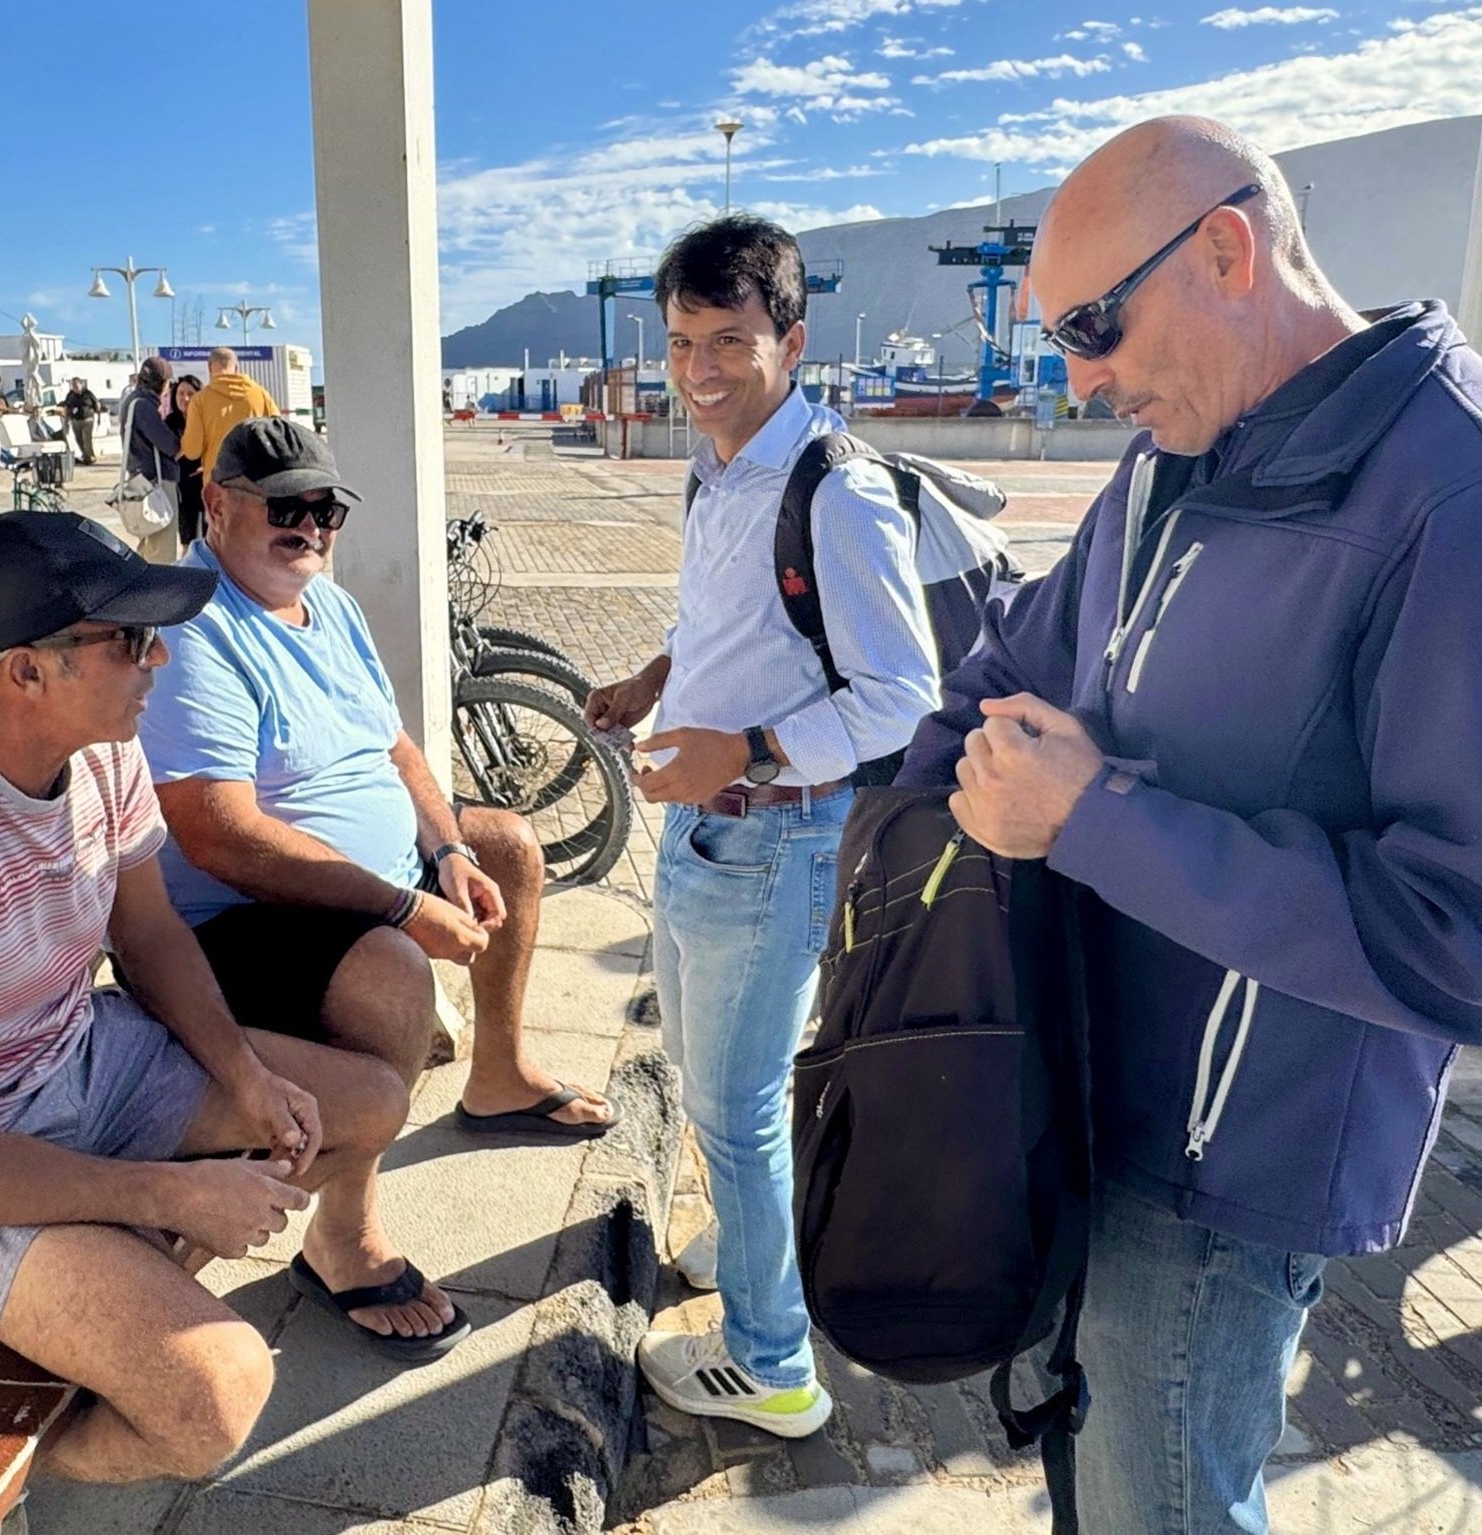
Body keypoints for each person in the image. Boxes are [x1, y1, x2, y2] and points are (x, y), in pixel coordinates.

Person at [898, 115, 1482, 1533]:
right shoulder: (1173, 452)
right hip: (1073, 1090)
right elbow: (1016, 656)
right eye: (1056, 340)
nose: (1078, 378)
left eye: (1091, 326)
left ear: (1227, 250)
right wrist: (916, 831)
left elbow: (1455, 935)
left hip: (1226, 1183)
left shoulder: (1449, 489)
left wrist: (1095, 817)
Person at [0, 512, 422, 1481]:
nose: (160, 655)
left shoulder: (102, 749)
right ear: (28, 670)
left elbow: (149, 934)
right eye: (128, 637)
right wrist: (168, 1191)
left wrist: (243, 1075)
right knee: (213, 1395)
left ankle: (114, 1272)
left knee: (369, 1102)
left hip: (76, 1061)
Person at [141, 416, 612, 1350]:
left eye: (328, 511)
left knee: (509, 845)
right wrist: (402, 904)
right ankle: (343, 1237)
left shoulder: (331, 607)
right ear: (218, 504)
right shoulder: (195, 627)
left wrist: (449, 853)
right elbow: (218, 835)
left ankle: (499, 1077)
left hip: (358, 886)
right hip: (238, 916)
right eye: (288, 507)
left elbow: (398, 751)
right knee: (393, 971)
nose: (310, 528)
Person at [583, 213, 938, 1437]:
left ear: (790, 337)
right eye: (681, 341)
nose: (699, 369)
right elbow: (731, 622)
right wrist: (656, 678)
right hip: (703, 831)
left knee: (737, 1106)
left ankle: (772, 1362)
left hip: (777, 837)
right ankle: (748, 1245)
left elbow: (902, 693)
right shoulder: (717, 469)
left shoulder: (837, 491)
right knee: (710, 1079)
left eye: (728, 340)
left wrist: (744, 750)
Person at [177, 348, 280, 481]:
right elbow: (278, 436)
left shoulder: (200, 400)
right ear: (237, 367)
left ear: (209, 368)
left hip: (217, 482)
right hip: (254, 479)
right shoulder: (261, 395)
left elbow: (192, 451)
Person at [123, 357, 183, 564]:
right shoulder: (144, 406)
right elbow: (171, 446)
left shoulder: (132, 401)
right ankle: (158, 586)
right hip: (156, 485)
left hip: (139, 480)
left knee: (147, 546)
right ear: (163, 384)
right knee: (162, 550)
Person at [166, 373, 206, 549]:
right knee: (187, 540)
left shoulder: (207, 420)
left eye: (190, 394)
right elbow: (170, 455)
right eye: (180, 393)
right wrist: (188, 443)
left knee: (210, 538)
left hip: (206, 482)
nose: (185, 398)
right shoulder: (170, 422)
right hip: (183, 486)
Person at [61, 377, 102, 465]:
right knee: (79, 440)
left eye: (76, 385)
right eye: (73, 385)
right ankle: (86, 456)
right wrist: (66, 419)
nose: (75, 387)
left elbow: (97, 405)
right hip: (75, 421)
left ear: (81, 384)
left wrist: (99, 417)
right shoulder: (70, 395)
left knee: (86, 439)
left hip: (88, 419)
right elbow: (66, 407)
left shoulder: (88, 393)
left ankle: (90, 457)